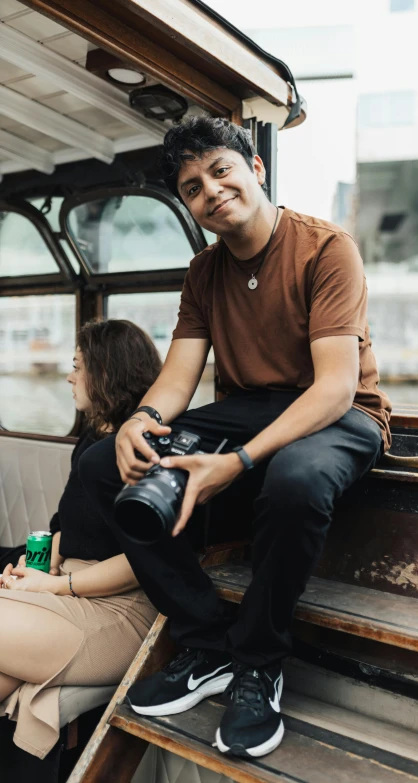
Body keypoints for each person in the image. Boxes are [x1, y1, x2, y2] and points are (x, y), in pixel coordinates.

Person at [79, 117, 392, 759]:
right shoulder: (204, 273)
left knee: (295, 479)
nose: (212, 191)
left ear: (256, 168)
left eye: (221, 170)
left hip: (343, 412)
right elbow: (178, 377)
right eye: (193, 187)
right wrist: (140, 422)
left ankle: (259, 663)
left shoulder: (327, 249)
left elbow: (333, 388)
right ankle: (206, 642)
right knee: (101, 467)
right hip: (252, 407)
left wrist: (241, 461)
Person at [0, 319, 161, 759]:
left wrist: (52, 586)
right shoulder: (92, 438)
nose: (69, 377)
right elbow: (68, 530)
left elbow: (141, 562)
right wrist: (33, 570)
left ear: (108, 372)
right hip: (67, 589)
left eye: (78, 366)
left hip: (119, 611)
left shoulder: (147, 450)